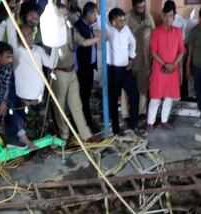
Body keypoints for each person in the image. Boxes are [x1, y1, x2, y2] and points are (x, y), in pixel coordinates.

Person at [49, 2, 99, 143]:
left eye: (65, 15)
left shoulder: (70, 29)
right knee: (59, 106)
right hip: (59, 72)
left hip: (72, 71)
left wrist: (99, 38)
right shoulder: (50, 32)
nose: (65, 18)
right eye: (61, 15)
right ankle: (64, 134)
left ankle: (86, 135)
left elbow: (83, 42)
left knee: (77, 105)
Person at [0, 17, 51, 138]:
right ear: (19, 39)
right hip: (25, 99)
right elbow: (9, 35)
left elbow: (51, 64)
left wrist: (56, 46)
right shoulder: (16, 51)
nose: (27, 38)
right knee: (29, 126)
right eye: (23, 35)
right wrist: (9, 19)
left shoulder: (38, 50)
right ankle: (32, 147)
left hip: (40, 96)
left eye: (29, 34)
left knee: (43, 123)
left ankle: (43, 146)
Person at [147, 1, 184, 131]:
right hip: (159, 69)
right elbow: (153, 52)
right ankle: (150, 123)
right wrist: (165, 64)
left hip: (173, 69)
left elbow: (181, 51)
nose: (168, 19)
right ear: (162, 16)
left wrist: (173, 64)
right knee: (155, 97)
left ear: (174, 16)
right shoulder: (156, 32)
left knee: (169, 97)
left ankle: (164, 120)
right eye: (166, 15)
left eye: (170, 16)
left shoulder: (178, 32)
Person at [105, 7, 140, 134]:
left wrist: (131, 58)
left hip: (125, 70)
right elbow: (98, 16)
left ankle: (133, 124)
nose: (124, 23)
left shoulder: (126, 30)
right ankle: (115, 128)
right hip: (112, 71)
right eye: (121, 20)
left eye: (124, 20)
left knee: (134, 95)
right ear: (113, 21)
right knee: (113, 100)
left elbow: (133, 42)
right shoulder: (107, 29)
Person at [124, 0, 155, 122]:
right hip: (129, 60)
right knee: (127, 88)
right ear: (134, 7)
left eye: (143, 7)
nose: (142, 10)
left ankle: (141, 112)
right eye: (139, 7)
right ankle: (126, 114)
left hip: (145, 59)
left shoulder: (148, 17)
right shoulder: (126, 17)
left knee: (142, 87)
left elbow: (155, 36)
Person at [74, 2, 101, 131]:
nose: (96, 16)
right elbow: (82, 46)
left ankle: (86, 121)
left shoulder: (88, 26)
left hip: (89, 68)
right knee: (83, 96)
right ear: (88, 14)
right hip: (82, 70)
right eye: (94, 14)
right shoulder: (78, 27)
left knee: (86, 95)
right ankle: (86, 123)